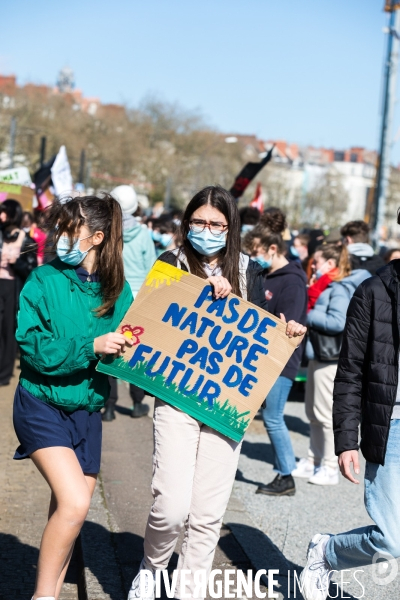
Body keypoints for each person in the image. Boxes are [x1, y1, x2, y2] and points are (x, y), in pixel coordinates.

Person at [127, 186, 307, 600]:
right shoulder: (169, 262)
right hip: (175, 396)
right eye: (199, 222)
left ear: (231, 228)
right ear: (186, 223)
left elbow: (260, 337)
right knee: (171, 505)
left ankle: (188, 590)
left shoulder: (250, 270)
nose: (206, 230)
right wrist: (197, 291)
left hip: (226, 406)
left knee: (207, 513)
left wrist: (288, 333)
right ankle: (152, 568)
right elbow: (148, 321)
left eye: (215, 224)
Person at [13, 194, 133, 600]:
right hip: (40, 403)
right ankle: (43, 597)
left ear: (97, 237)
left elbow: (133, 351)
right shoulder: (42, 281)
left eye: (69, 230)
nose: (58, 237)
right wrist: (91, 345)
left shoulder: (120, 291)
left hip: (87, 410)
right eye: (57, 229)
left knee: (68, 513)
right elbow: (31, 348)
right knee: (77, 503)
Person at [300, 221, 400, 599]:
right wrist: (345, 440)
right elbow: (351, 371)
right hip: (390, 425)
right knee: (392, 540)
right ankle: (326, 552)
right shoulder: (373, 291)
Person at [292, 244, 370, 487]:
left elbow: (338, 321)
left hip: (331, 358)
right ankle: (314, 459)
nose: (312, 266)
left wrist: (308, 314)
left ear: (331, 264)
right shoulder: (323, 286)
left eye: (317, 261)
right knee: (313, 412)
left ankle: (328, 466)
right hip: (319, 356)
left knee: (325, 414)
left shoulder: (337, 287)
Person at [243, 218, 308, 497]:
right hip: (264, 357)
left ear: (272, 248)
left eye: (257, 252)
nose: (254, 258)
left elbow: (290, 327)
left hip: (282, 361)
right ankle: (285, 473)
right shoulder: (265, 275)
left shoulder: (292, 282)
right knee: (270, 416)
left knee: (273, 417)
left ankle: (286, 476)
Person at [101, 185, 156, 421]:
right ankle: (137, 403)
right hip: (139, 298)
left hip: (112, 295)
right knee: (135, 353)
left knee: (111, 348)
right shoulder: (144, 234)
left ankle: (110, 406)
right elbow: (153, 269)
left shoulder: (108, 232)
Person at [0, 199, 37, 386]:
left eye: (5, 212)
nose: (1, 216)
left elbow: (32, 270)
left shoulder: (26, 240)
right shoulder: (1, 235)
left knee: (8, 330)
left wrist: (16, 262)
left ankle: (4, 374)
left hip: (13, 289)